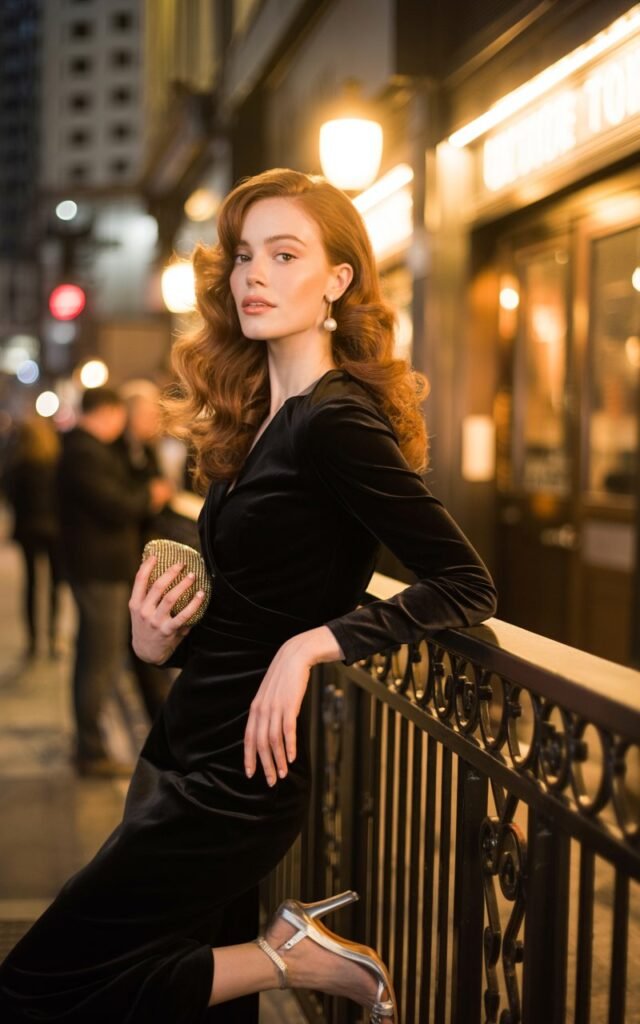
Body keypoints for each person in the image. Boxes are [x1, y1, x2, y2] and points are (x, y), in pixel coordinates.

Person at [0, 169, 497, 1022]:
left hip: (242, 773)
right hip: (184, 739)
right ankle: (278, 956)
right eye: (242, 257)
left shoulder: (336, 421)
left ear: (337, 280)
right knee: (182, 989)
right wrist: (163, 644)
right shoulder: (267, 412)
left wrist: (313, 645)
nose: (253, 276)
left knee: (39, 984)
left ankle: (285, 958)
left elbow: (466, 583)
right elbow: (259, 602)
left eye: (284, 253)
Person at [56, 386, 172, 777]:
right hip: (100, 572)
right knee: (99, 662)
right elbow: (115, 504)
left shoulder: (88, 449)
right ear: (107, 413)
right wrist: (150, 496)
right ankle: (91, 750)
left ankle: (90, 745)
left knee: (96, 658)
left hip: (100, 570)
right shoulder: (84, 451)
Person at [117, 379, 176, 721]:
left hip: (151, 557)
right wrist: (151, 496)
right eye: (148, 412)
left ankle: (160, 712)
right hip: (127, 559)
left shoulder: (150, 449)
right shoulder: (117, 449)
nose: (154, 418)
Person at [3, 415, 65, 659]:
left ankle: (32, 640)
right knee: (54, 583)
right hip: (55, 530)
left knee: (31, 583)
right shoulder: (57, 464)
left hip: (28, 530)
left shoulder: (17, 465)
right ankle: (53, 636)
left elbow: (9, 497)